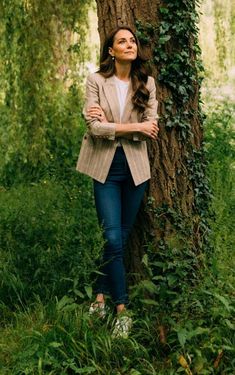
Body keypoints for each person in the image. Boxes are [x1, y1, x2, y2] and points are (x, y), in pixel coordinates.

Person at [76, 25, 159, 338]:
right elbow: (95, 128)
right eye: (122, 41)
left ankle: (99, 297)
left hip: (136, 169)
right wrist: (129, 128)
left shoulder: (146, 83)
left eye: (132, 40)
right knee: (111, 238)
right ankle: (122, 310)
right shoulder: (96, 80)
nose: (129, 44)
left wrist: (112, 125)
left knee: (119, 238)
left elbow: (151, 127)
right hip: (105, 168)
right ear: (111, 50)